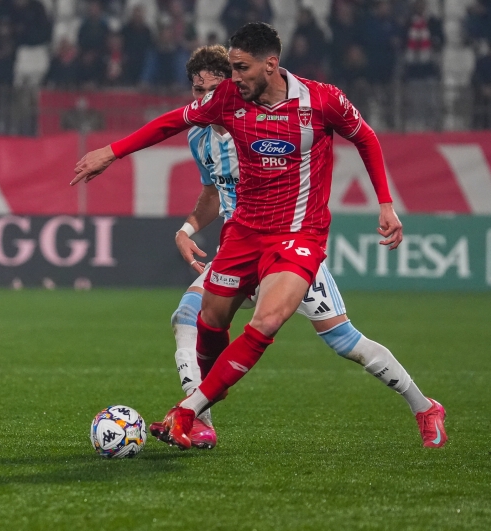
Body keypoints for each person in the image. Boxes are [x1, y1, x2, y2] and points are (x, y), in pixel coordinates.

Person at [73, 23, 448, 451]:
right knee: (200, 319)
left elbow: (365, 137)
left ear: (270, 64)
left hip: (297, 238)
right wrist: (114, 154)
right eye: (220, 76)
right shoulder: (219, 113)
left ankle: (424, 407)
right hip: (244, 236)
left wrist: (385, 202)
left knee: (340, 340)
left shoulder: (321, 100)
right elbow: (176, 132)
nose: (229, 81)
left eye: (240, 69)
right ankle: (202, 415)